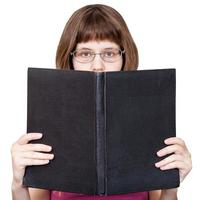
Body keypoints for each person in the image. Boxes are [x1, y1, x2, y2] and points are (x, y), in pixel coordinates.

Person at [11, 4, 192, 200]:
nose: (98, 66)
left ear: (124, 57)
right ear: (70, 58)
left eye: (109, 53)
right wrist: (18, 185)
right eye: (85, 54)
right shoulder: (52, 121)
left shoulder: (146, 121)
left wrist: (171, 187)